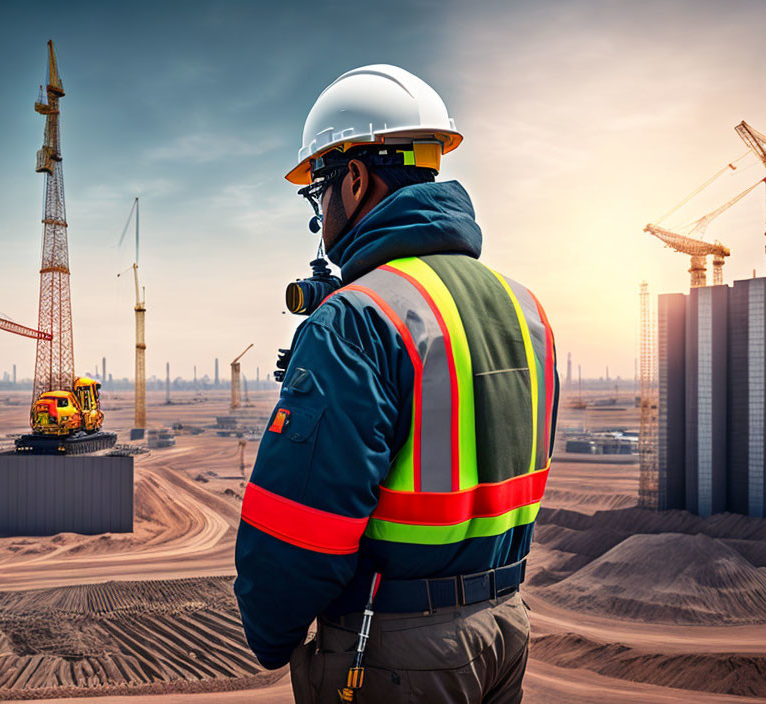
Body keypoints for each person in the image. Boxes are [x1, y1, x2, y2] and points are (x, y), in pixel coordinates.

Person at [234, 64, 559, 703]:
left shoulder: (357, 320)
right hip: (504, 629)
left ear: (355, 179)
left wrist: (271, 634)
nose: (320, 214)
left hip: (393, 651)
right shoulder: (526, 308)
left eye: (319, 192)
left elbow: (301, 523)